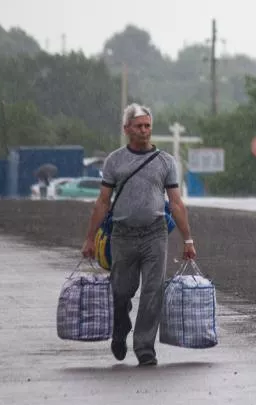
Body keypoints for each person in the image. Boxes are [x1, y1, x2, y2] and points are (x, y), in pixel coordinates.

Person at [81, 103, 196, 366]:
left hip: (155, 235)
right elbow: (102, 201)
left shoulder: (165, 162)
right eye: (139, 126)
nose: (144, 131)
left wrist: (188, 239)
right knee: (121, 291)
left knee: (153, 291)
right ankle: (120, 327)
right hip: (122, 235)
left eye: (148, 126)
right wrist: (89, 238)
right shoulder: (115, 161)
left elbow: (176, 203)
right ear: (127, 129)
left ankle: (145, 348)